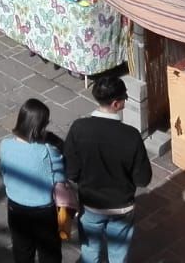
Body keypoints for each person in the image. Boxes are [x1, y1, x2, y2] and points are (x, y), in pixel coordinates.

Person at [63, 76, 153, 263]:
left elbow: (71, 171)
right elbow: (143, 179)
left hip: (90, 205)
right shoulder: (131, 136)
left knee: (89, 252)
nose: (125, 102)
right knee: (118, 255)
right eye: (124, 99)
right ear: (116, 103)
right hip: (121, 208)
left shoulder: (79, 128)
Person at [1, 99, 67, 263]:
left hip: (15, 206)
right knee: (49, 253)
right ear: (40, 126)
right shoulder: (47, 151)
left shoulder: (5, 145)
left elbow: (4, 171)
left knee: (22, 249)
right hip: (43, 210)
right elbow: (59, 177)